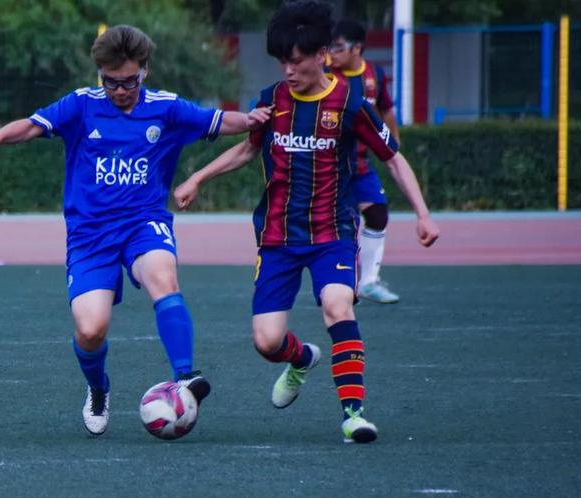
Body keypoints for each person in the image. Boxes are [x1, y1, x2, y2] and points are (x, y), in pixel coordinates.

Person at [0, 25, 270, 436]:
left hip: (143, 222)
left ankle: (185, 377)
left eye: (129, 81)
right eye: (111, 82)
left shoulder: (166, 108)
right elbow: (32, 126)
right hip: (89, 235)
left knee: (163, 275)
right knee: (91, 330)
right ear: (100, 75)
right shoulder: (81, 105)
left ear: (145, 71)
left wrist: (251, 118)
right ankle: (98, 388)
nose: (120, 90)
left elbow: (219, 120)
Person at [174, 0, 439, 443]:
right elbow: (247, 148)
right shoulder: (272, 100)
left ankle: (353, 416)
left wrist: (423, 214)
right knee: (267, 342)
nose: (288, 70)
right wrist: (198, 177)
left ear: (321, 55)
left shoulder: (351, 104)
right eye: (282, 62)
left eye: (296, 61)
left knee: (338, 305)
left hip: (332, 234)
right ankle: (301, 360)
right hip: (277, 237)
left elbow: (393, 158)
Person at [328, 19, 401, 303]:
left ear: (357, 48)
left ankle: (368, 281)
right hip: (331, 166)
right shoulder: (325, 74)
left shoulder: (375, 75)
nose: (332, 53)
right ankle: (343, 282)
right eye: (330, 47)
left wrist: (394, 145)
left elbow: (386, 110)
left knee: (378, 214)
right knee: (343, 224)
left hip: (360, 165)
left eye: (338, 47)